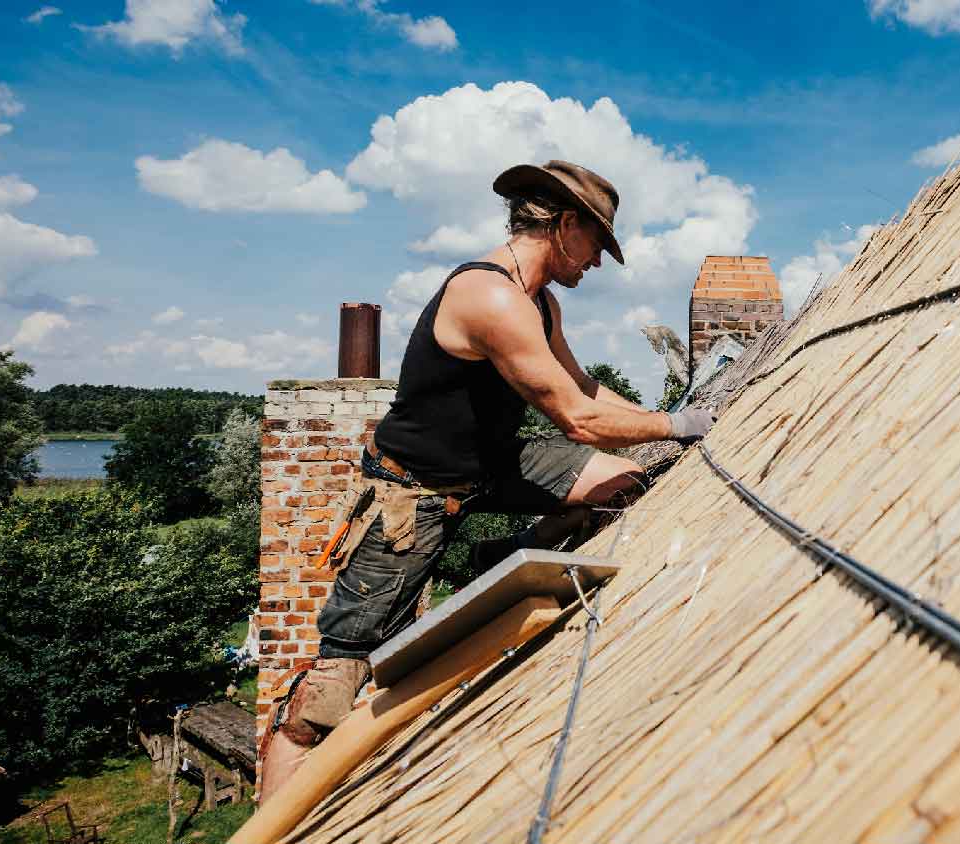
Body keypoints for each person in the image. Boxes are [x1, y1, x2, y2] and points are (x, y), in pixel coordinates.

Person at [258, 160, 715, 800]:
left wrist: (657, 422)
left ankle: (507, 552)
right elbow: (579, 419)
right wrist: (676, 424)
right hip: (411, 491)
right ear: (564, 225)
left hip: (491, 467)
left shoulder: (540, 303)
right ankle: (271, 825)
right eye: (596, 244)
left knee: (623, 479)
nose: (599, 263)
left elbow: (585, 388)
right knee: (325, 698)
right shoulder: (490, 296)